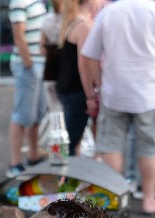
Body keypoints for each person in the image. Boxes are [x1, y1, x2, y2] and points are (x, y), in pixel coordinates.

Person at [80, 0, 155, 215]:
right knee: (150, 146)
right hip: (149, 93)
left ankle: (113, 197)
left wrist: (99, 85)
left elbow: (89, 54)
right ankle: (149, 199)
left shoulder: (108, 13)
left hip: (114, 92)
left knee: (112, 145)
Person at [7, 0, 50, 177]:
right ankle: (15, 163)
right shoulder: (19, 2)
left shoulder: (36, 2)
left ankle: (33, 155)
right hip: (29, 66)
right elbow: (18, 35)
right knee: (22, 115)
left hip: (38, 65)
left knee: (36, 115)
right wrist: (29, 63)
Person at [55, 0, 100, 155]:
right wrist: (90, 95)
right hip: (77, 91)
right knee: (70, 144)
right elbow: (84, 64)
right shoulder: (83, 26)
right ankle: (64, 177)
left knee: (71, 141)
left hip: (69, 88)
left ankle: (68, 175)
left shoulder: (74, 22)